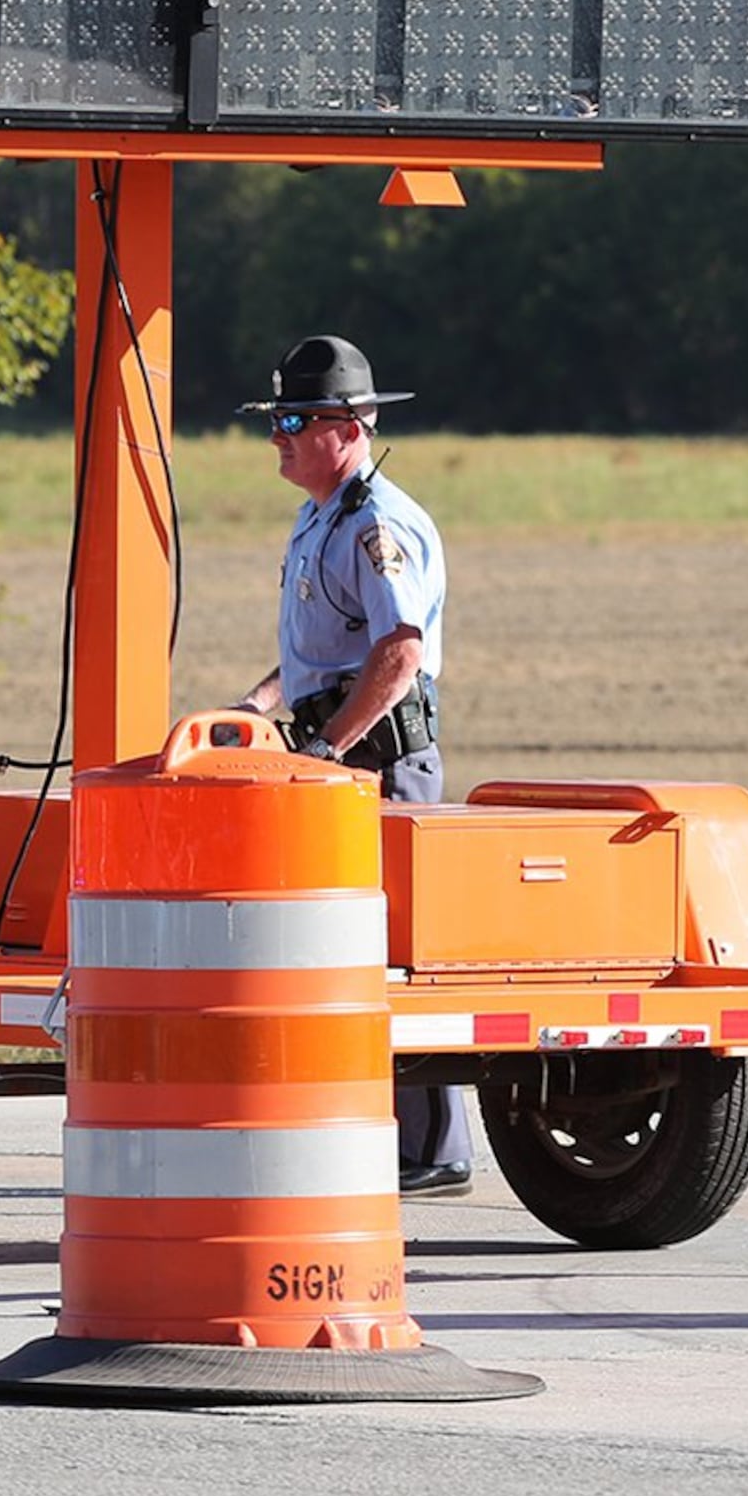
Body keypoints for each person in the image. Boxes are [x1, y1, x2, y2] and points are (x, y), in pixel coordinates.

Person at [233, 332, 471, 1196]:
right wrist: (257, 707)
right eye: (276, 418)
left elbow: (398, 652)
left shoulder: (378, 524)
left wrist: (330, 747)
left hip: (376, 757)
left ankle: (436, 1148)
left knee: (393, 951)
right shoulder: (321, 513)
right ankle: (390, 1134)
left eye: (295, 418)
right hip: (336, 748)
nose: (278, 436)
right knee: (343, 951)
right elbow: (320, 655)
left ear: (350, 424)